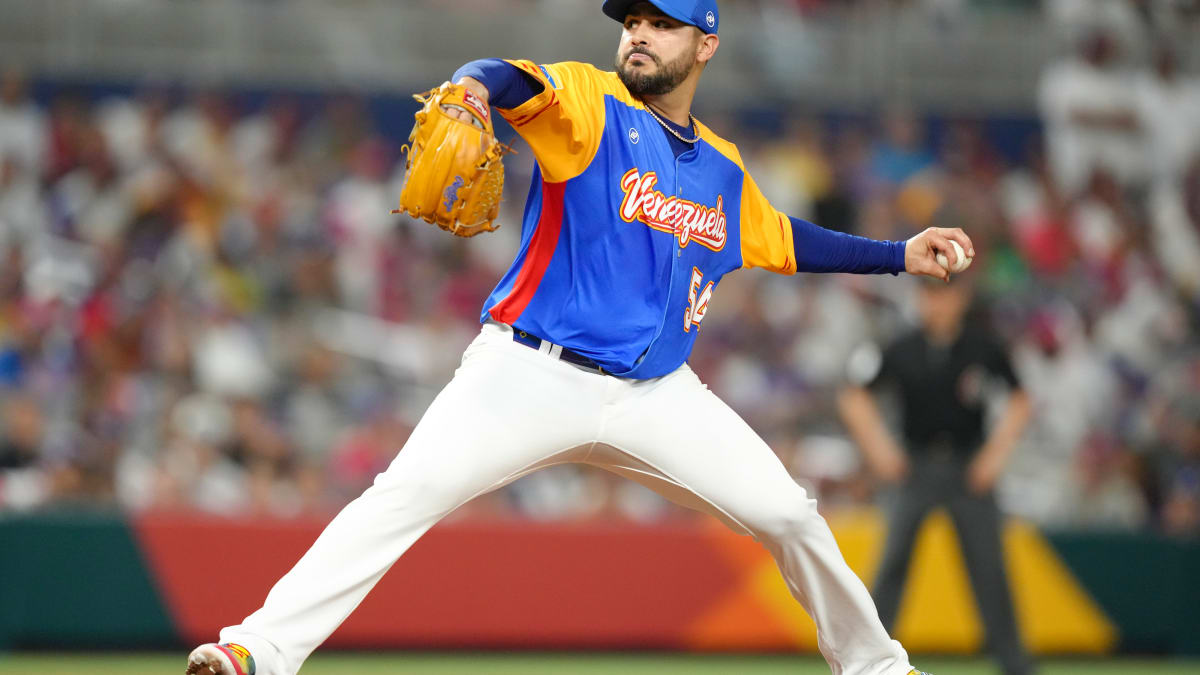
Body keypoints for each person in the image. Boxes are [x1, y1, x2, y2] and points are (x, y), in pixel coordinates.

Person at [186, 2, 971, 674]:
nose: (638, 34)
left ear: (706, 46)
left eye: (661, 24)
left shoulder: (724, 171)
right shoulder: (587, 103)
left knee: (790, 515)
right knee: (405, 494)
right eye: (631, 20)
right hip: (528, 373)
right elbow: (504, 74)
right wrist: (468, 86)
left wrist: (899, 255)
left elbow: (790, 240)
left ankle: (878, 666)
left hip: (657, 394)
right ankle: (256, 650)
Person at [837, 277, 1033, 675]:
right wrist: (880, 449)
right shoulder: (901, 346)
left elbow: (1020, 398)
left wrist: (994, 457)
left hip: (968, 468)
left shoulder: (982, 347)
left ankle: (1016, 667)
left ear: (961, 298)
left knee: (989, 570)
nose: (936, 304)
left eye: (943, 294)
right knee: (892, 566)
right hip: (917, 466)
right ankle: (868, 664)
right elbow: (854, 395)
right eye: (928, 294)